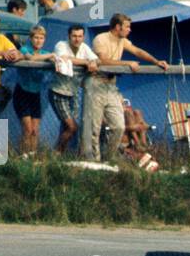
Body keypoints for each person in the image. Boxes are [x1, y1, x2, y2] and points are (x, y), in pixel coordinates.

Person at [83, 13, 167, 163]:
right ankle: (93, 162)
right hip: (96, 83)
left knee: (119, 126)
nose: (130, 30)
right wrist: (127, 63)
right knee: (93, 128)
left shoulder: (123, 41)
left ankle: (109, 159)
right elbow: (102, 61)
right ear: (117, 27)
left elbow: (138, 51)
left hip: (111, 85)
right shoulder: (101, 39)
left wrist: (156, 61)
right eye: (127, 27)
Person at [50, 24, 98, 152]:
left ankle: (62, 155)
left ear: (83, 37)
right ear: (69, 36)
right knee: (72, 127)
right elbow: (64, 58)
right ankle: (57, 152)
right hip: (59, 91)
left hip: (74, 92)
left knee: (69, 126)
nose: (77, 39)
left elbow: (95, 59)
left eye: (80, 36)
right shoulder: (61, 45)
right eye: (74, 36)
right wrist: (86, 62)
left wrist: (92, 62)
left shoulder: (84, 47)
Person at [15, 24, 54, 155]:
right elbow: (31, 58)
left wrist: (52, 57)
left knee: (35, 130)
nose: (38, 41)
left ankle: (32, 155)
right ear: (31, 38)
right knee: (27, 128)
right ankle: (23, 155)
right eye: (36, 38)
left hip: (35, 94)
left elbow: (53, 58)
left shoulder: (44, 53)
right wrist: (50, 55)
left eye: (41, 38)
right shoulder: (25, 48)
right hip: (22, 92)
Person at [120, 96, 158, 172]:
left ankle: (141, 144)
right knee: (128, 113)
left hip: (132, 135)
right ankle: (141, 144)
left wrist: (135, 127)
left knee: (137, 112)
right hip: (125, 136)